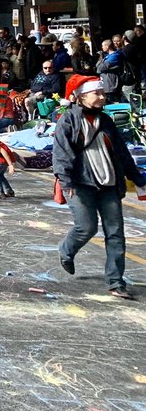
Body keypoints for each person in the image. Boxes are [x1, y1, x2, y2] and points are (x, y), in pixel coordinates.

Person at [53, 74, 146, 300]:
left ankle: (116, 282)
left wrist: (139, 179)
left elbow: (122, 153)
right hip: (79, 184)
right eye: (98, 93)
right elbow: (61, 154)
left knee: (115, 233)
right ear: (81, 96)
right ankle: (67, 249)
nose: (103, 97)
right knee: (86, 227)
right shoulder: (68, 121)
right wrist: (66, 183)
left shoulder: (106, 121)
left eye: (103, 93)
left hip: (109, 184)